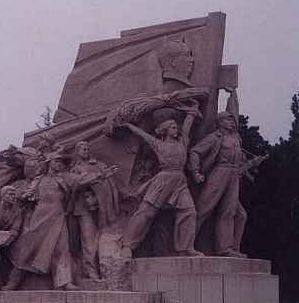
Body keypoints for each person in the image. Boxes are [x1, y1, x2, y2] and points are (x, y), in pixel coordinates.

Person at [121, 103, 204, 257]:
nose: (176, 129)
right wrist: (127, 125)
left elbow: (187, 126)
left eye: (175, 126)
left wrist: (192, 112)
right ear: (165, 130)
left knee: (189, 212)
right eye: (172, 127)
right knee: (147, 212)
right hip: (163, 179)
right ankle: (127, 244)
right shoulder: (158, 144)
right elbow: (142, 135)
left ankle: (185, 248)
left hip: (180, 180)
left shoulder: (183, 142)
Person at [188, 89, 264, 257]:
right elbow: (195, 151)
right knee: (203, 208)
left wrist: (233, 94)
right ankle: (186, 245)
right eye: (228, 120)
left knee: (229, 211)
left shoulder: (236, 137)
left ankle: (225, 249)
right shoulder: (215, 137)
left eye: (232, 120)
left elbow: (235, 111)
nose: (232, 122)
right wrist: (195, 172)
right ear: (220, 122)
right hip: (219, 173)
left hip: (234, 175)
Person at [6, 153, 79, 291]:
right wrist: (23, 196)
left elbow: (77, 185)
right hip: (40, 218)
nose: (59, 164)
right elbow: (25, 195)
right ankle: (12, 282)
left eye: (60, 162)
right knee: (28, 249)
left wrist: (98, 177)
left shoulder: (62, 180)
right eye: (57, 161)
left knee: (62, 249)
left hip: (58, 217)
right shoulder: (38, 180)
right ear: (49, 163)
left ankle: (64, 282)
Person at [69, 141, 119, 280]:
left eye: (87, 147)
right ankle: (91, 270)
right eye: (82, 148)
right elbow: (78, 182)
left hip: (101, 207)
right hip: (83, 209)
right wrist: (101, 175)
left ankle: (102, 267)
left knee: (100, 238)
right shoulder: (75, 169)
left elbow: (109, 183)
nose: (85, 149)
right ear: (77, 152)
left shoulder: (98, 165)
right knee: (89, 240)